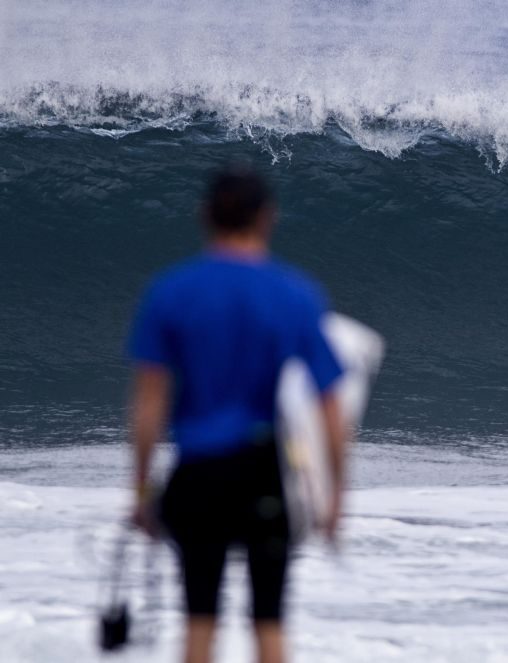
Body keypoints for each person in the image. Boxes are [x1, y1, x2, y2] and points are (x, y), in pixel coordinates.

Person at [127, 165, 348, 663]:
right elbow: (330, 406)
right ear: (267, 218)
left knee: (198, 625)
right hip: (266, 476)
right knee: (269, 625)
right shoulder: (295, 294)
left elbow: (148, 405)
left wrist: (142, 490)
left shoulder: (171, 291)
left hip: (198, 474)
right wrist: (336, 495)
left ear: (205, 216)